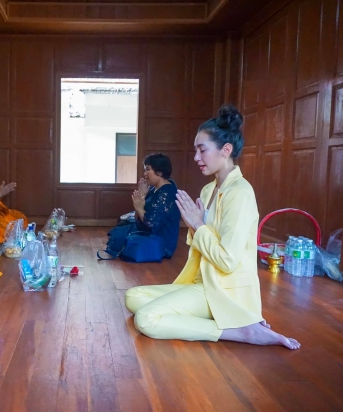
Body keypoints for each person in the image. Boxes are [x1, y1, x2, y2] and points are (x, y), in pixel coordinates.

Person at [125, 105, 300, 350]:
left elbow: (227, 260)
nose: (196, 157)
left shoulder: (240, 193)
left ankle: (240, 331)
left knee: (146, 318)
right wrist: (194, 226)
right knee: (133, 297)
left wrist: (197, 224)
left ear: (225, 150)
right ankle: (213, 316)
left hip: (222, 289)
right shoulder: (208, 190)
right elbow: (200, 244)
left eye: (202, 150)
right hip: (200, 281)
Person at [130, 153, 181, 258]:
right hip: (148, 234)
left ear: (160, 172)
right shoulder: (154, 188)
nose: (144, 174)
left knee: (120, 238)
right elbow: (137, 218)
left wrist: (139, 207)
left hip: (160, 244)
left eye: (147, 169)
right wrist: (142, 195)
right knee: (120, 229)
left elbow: (151, 222)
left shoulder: (167, 192)